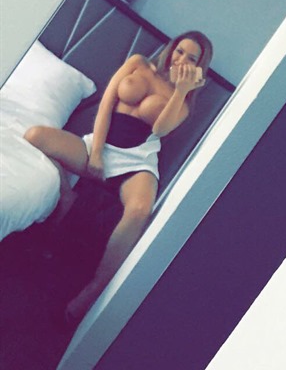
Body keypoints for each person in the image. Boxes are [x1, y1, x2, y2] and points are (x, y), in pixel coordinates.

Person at [24, 31, 213, 325]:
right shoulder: (138, 63)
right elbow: (106, 104)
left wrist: (181, 90)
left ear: (198, 67)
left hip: (137, 161)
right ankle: (65, 197)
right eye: (180, 51)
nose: (181, 60)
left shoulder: (184, 104)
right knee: (35, 136)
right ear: (171, 48)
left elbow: (160, 130)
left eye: (191, 58)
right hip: (98, 146)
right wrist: (97, 153)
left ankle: (92, 291)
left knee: (139, 210)